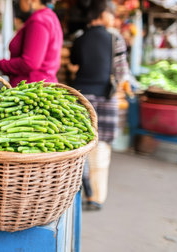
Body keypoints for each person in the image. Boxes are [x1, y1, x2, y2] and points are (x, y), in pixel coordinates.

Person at [69, 0, 125, 210]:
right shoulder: (114, 38)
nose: (112, 18)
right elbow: (121, 70)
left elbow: (74, 62)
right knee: (101, 146)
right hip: (106, 95)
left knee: (82, 143)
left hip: (83, 96)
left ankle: (81, 189)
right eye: (111, 14)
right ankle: (96, 197)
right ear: (102, 14)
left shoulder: (79, 39)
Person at [0, 0, 63, 86]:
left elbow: (29, 63)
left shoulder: (38, 21)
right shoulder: (50, 16)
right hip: (39, 86)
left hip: (31, 89)